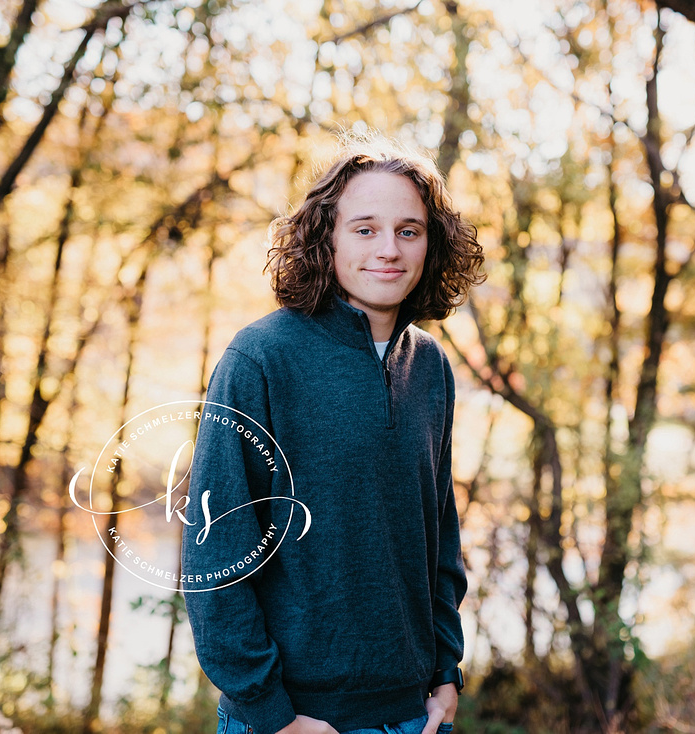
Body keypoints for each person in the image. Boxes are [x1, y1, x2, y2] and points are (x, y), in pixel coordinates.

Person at [181, 135, 485, 734]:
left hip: (414, 716)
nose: (389, 250)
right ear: (327, 238)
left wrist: (446, 671)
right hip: (297, 720)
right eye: (365, 229)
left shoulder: (430, 368)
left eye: (409, 230)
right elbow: (214, 556)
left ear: (432, 242)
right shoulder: (262, 359)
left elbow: (438, 540)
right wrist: (273, 714)